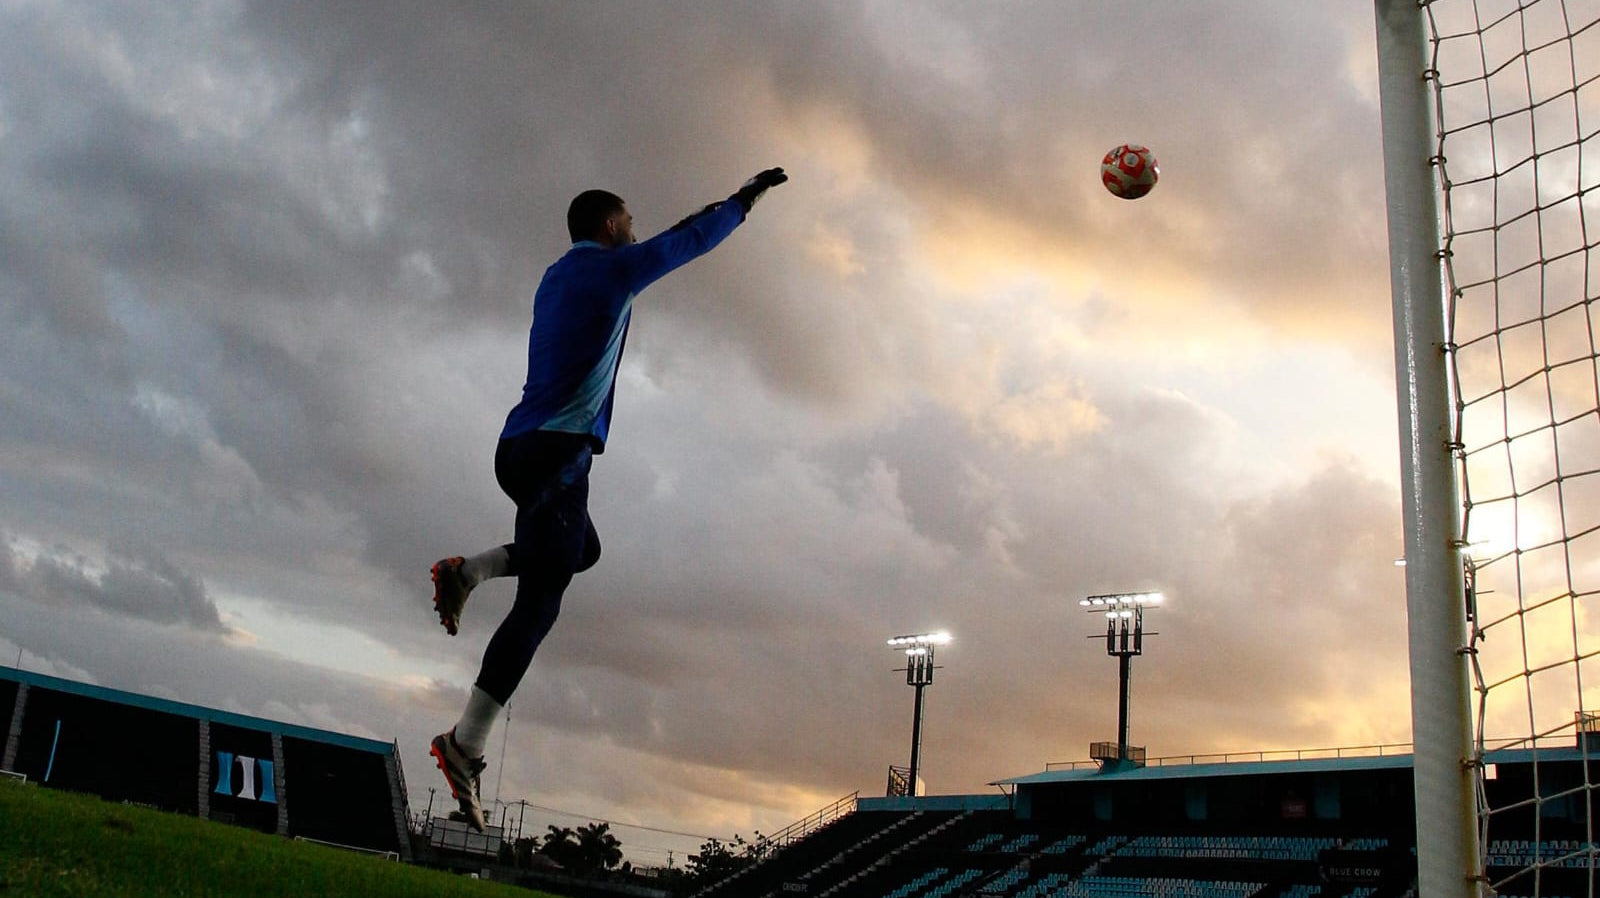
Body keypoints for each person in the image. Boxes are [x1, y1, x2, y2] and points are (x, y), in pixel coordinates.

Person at [427, 168, 789, 830]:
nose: (635, 229)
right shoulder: (612, 271)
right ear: (608, 227)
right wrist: (741, 202)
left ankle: (469, 570)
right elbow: (689, 240)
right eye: (628, 221)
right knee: (542, 599)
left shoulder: (554, 276)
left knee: (579, 550)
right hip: (559, 457)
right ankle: (464, 745)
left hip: (517, 448)